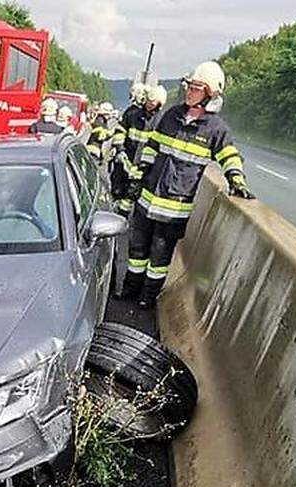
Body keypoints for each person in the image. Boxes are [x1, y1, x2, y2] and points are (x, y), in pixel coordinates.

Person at [121, 61, 252, 309]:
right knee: (137, 250)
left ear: (211, 94)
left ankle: (148, 297)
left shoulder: (216, 130)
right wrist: (138, 176)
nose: (189, 91)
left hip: (174, 210)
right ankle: (129, 289)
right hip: (147, 199)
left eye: (196, 88)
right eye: (189, 86)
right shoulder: (170, 116)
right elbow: (152, 148)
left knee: (159, 258)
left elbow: (229, 156)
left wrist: (236, 179)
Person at [110, 82, 153, 213]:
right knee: (122, 192)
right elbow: (119, 132)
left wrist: (120, 150)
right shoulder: (134, 114)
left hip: (135, 166)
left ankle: (119, 216)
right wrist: (120, 150)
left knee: (127, 195)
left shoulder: (139, 115)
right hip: (127, 162)